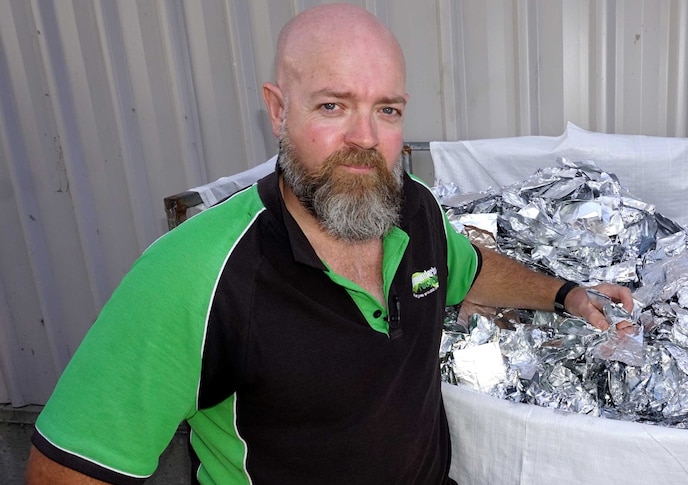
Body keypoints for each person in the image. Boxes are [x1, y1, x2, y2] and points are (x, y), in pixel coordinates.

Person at [25, 4, 633, 484]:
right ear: (277, 110)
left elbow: (467, 271)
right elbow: (66, 471)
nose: (365, 138)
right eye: (333, 105)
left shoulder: (412, 208)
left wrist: (566, 295)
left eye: (387, 110)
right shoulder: (194, 275)